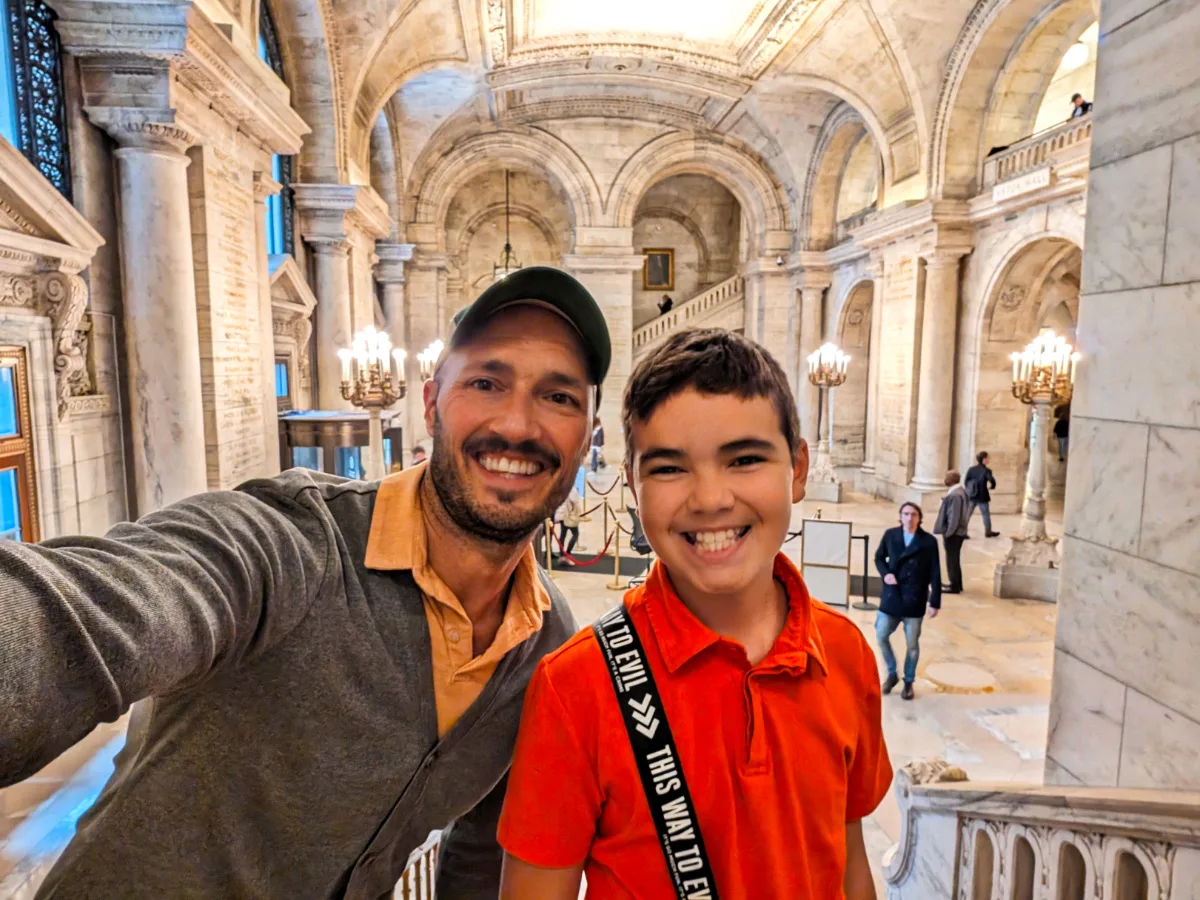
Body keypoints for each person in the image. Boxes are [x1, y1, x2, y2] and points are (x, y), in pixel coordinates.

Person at [0, 266, 612, 898]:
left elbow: (484, 856)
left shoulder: (546, 644)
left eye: (559, 396)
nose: (517, 425)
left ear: (588, 435)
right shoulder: (289, 545)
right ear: (431, 403)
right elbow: (82, 615)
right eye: (487, 382)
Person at [497, 329, 892, 900]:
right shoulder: (575, 688)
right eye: (669, 469)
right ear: (631, 484)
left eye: (746, 459)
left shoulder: (846, 652)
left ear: (798, 469)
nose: (710, 500)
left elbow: (846, 856)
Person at [874, 502, 942, 701]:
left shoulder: (928, 542)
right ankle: (892, 673)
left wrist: (934, 601)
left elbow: (935, 572)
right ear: (900, 516)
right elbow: (879, 558)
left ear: (919, 518)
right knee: (881, 635)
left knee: (912, 644)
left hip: (915, 598)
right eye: (906, 514)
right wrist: (885, 574)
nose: (909, 518)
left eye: (913, 514)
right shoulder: (891, 535)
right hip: (892, 596)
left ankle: (909, 681)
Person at [934, 470, 970, 595]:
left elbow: (954, 516)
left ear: (952, 479)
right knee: (954, 558)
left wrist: (949, 532)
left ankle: (954, 586)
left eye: (946, 477)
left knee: (952, 559)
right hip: (958, 532)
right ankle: (956, 583)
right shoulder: (959, 492)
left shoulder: (955, 495)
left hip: (954, 533)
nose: (945, 479)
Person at [965, 450, 1001, 537]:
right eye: (988, 458)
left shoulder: (971, 469)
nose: (989, 460)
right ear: (984, 459)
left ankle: (962, 532)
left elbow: (966, 481)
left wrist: (970, 490)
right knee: (985, 514)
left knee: (967, 514)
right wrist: (992, 486)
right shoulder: (986, 470)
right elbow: (991, 480)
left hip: (972, 495)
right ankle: (988, 532)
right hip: (982, 496)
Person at [553, 487, 583, 566]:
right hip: (570, 516)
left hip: (563, 515)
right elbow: (576, 505)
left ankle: (562, 554)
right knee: (575, 534)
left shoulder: (563, 489)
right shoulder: (572, 491)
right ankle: (567, 554)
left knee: (563, 534)